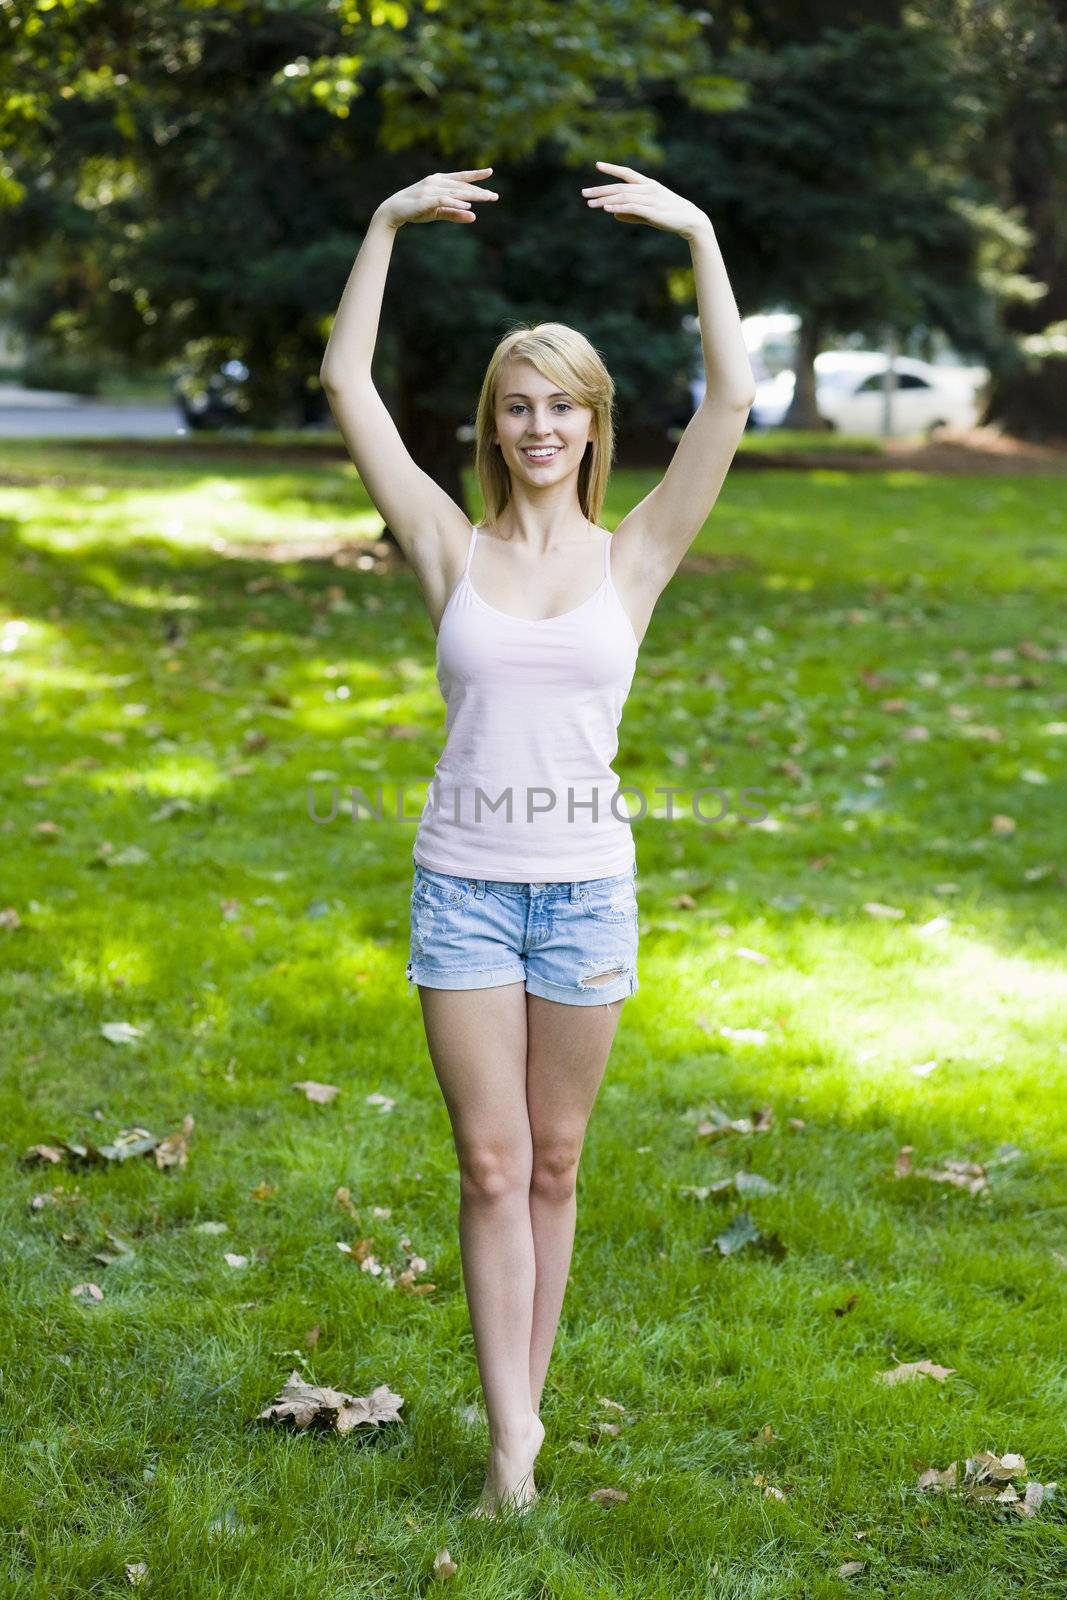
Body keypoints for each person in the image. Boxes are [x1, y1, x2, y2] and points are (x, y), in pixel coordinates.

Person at [320, 163, 755, 1516]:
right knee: (492, 1162)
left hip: (584, 894)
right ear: (492, 425)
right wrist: (385, 224)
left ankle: (527, 1412)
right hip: (463, 887)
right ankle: (511, 1440)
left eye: (563, 404)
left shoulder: (635, 557)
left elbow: (733, 401)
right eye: (519, 405)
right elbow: (346, 387)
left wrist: (696, 232)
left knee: (557, 1163)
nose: (540, 425)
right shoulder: (449, 546)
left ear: (594, 422)